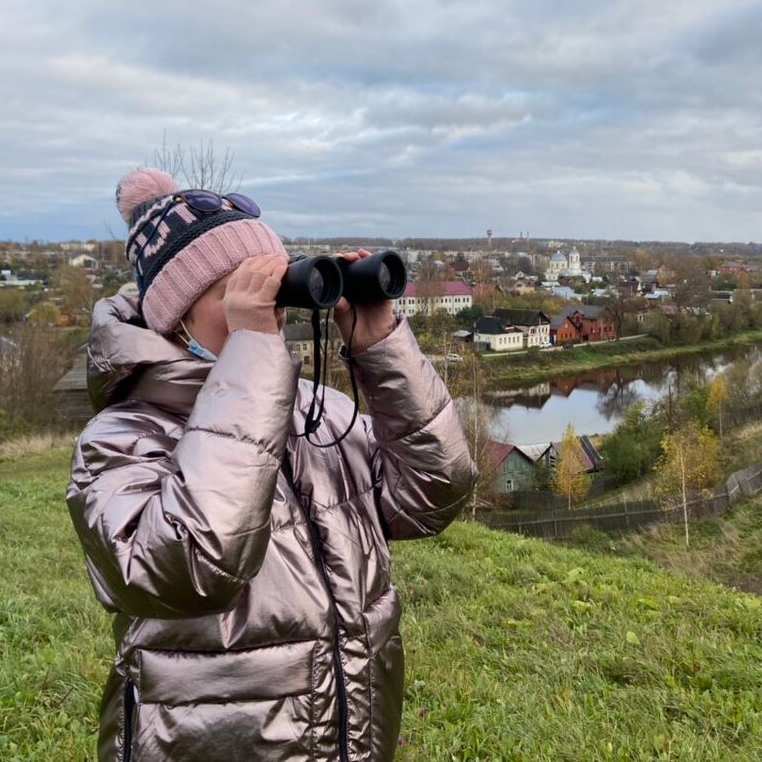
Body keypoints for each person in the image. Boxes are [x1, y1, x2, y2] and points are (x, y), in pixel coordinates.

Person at [67, 168, 477, 761]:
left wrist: (380, 343)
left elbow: (433, 494)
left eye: (274, 285)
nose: (270, 308)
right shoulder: (119, 440)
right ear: (174, 317)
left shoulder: (316, 415)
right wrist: (252, 352)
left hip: (350, 734)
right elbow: (188, 568)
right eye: (238, 290)